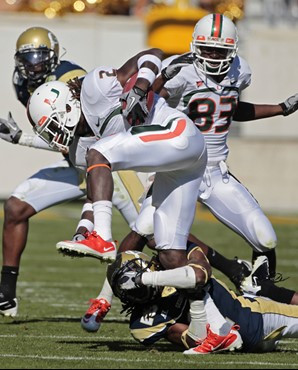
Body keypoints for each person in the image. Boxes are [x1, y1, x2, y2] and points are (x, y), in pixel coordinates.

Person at [27, 49, 245, 353]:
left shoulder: (96, 87)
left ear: (65, 107)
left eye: (53, 126)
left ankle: (103, 238)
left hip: (181, 135)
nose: (56, 137)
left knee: (99, 155)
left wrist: (141, 87)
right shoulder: (80, 148)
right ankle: (218, 329)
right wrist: (81, 230)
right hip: (176, 167)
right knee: (171, 256)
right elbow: (93, 194)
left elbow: (152, 54)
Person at [0, 27, 149, 318]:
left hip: (109, 170)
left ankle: (223, 273)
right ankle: (6, 292)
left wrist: (21, 139)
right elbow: (61, 141)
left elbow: (79, 141)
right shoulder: (24, 85)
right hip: (78, 167)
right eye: (26, 59)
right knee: (15, 207)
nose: (33, 65)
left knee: (154, 236)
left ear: (54, 56)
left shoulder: (70, 80)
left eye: (39, 57)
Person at [151, 13, 298, 281]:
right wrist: (159, 81)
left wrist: (280, 109)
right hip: (176, 169)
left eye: (221, 51)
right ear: (195, 45)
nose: (214, 56)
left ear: (232, 50)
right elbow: (148, 106)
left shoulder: (239, 71)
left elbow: (228, 110)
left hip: (215, 172)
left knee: (265, 239)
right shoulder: (180, 70)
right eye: (208, 49)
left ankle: (262, 292)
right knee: (148, 232)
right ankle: (113, 292)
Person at [108, 250, 298, 354]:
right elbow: (195, 339)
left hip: (255, 317)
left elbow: (198, 276)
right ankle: (256, 286)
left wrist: (182, 284)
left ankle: (258, 288)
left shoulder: (176, 261)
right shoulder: (142, 323)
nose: (133, 289)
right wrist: (194, 299)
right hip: (246, 342)